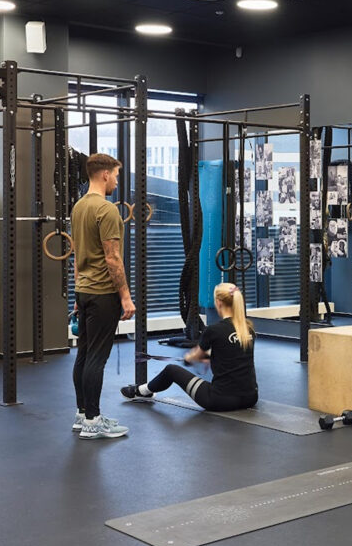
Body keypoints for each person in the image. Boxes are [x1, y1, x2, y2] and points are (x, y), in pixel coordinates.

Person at [71, 153, 135, 440]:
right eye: (116, 176)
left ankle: (83, 414)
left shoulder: (79, 207)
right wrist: (125, 297)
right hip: (102, 294)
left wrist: (77, 292)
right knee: (96, 358)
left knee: (84, 355)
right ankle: (93, 422)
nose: (117, 182)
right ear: (105, 174)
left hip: (85, 291)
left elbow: (76, 256)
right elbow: (113, 258)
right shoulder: (106, 210)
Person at [122, 283, 258, 412]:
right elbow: (232, 353)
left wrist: (188, 358)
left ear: (218, 302)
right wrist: (210, 356)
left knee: (171, 370)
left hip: (220, 400)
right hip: (250, 398)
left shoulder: (214, 330)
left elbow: (193, 357)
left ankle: (142, 391)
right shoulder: (248, 329)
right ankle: (143, 391)